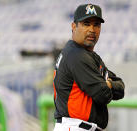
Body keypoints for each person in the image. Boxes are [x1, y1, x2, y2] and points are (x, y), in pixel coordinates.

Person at [53, 3, 125, 131]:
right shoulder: (76, 55)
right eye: (86, 23)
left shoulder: (88, 55)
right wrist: (107, 84)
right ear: (74, 26)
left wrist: (108, 84)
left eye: (96, 24)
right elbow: (103, 94)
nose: (92, 29)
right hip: (75, 127)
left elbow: (120, 88)